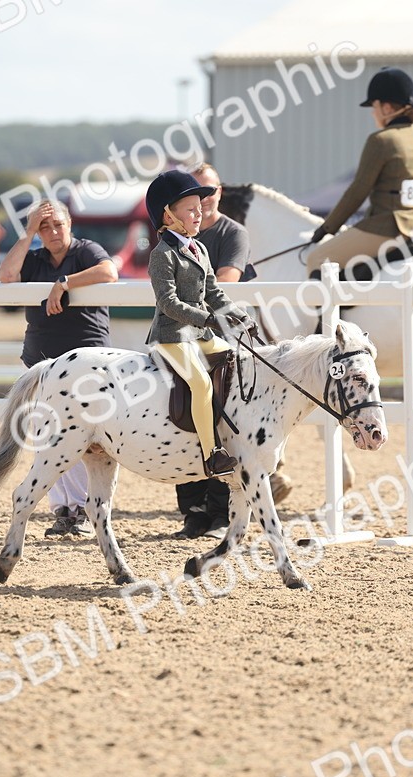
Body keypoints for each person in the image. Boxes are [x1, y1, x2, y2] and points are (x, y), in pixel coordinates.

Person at [0, 200, 117, 537]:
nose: (52, 233)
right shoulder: (33, 258)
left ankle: (79, 510)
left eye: (57, 225)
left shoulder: (86, 251)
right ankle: (63, 509)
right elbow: (6, 275)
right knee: (44, 433)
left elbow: (109, 272)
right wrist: (27, 233)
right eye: (44, 227)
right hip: (40, 359)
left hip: (83, 360)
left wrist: (64, 283)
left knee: (80, 434)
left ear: (70, 224)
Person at [145, 169, 255, 483]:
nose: (200, 212)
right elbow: (168, 302)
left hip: (200, 333)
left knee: (237, 359)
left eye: (200, 206)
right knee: (201, 384)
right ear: (168, 215)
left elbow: (213, 292)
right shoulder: (162, 255)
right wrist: (207, 318)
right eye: (191, 209)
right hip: (172, 336)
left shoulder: (200, 249)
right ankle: (211, 454)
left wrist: (237, 315)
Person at [170, 164, 253, 539]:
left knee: (223, 409)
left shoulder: (231, 233)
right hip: (186, 330)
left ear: (220, 191)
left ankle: (219, 508)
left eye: (209, 191)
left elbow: (226, 281)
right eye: (195, 194)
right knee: (177, 407)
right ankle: (192, 508)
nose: (203, 200)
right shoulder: (176, 239)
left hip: (217, 331)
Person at [308, 67, 413, 274]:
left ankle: (337, 307)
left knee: (317, 258)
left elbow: (358, 191)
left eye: (374, 106)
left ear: (387, 108)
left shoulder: (381, 140)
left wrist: (327, 229)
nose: (373, 112)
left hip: (389, 227)